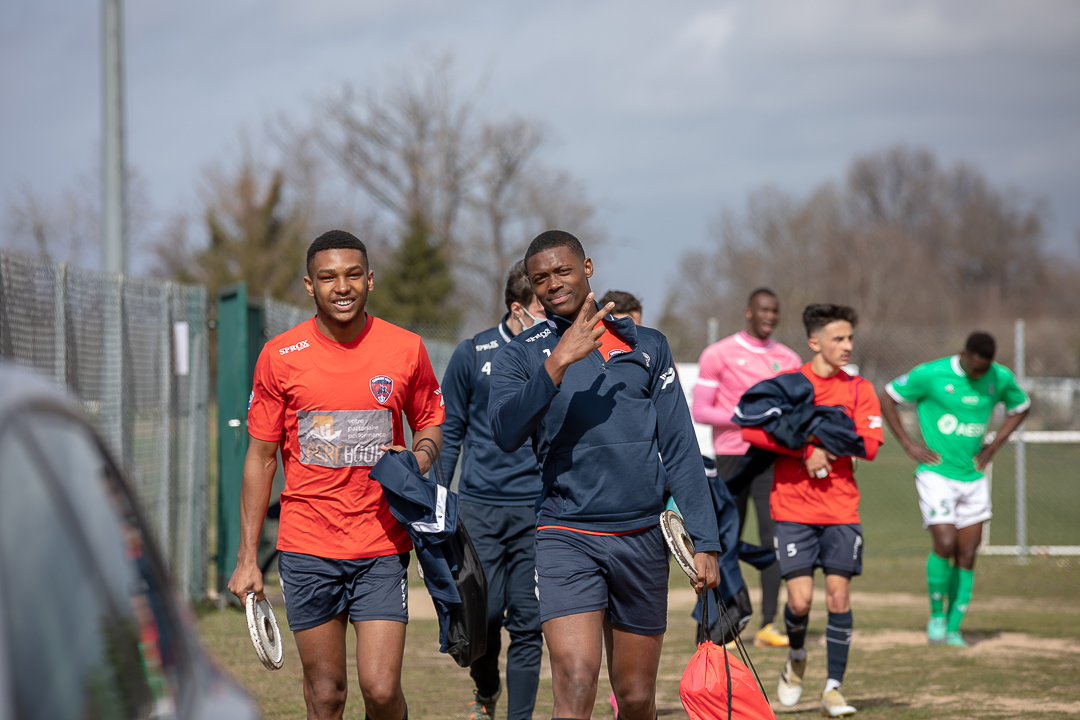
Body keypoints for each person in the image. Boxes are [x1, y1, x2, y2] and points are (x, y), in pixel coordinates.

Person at [488, 230, 721, 720]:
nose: (553, 283)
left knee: (636, 697)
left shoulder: (648, 345)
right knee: (575, 681)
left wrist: (706, 540)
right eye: (541, 278)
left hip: (641, 537)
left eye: (563, 270)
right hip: (565, 534)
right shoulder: (522, 355)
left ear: (587, 267)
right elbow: (505, 432)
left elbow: (679, 446)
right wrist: (558, 361)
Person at [228, 230, 445, 720]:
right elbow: (260, 457)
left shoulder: (406, 348)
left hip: (382, 545)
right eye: (328, 277)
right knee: (326, 695)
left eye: (352, 275)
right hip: (307, 549)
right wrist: (247, 558)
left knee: (382, 688)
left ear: (370, 280)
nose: (341, 287)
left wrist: (420, 457)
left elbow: (430, 417)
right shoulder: (279, 356)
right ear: (310, 285)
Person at [740, 303, 883, 718]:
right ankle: (797, 656)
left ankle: (834, 688)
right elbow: (750, 428)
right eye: (838, 338)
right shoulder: (787, 386)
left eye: (850, 338)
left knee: (838, 596)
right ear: (814, 341)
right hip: (792, 508)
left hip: (841, 509)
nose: (847, 346)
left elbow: (870, 446)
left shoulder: (860, 389)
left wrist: (823, 444)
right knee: (800, 603)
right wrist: (803, 448)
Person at [440, 262, 547, 720]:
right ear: (518, 308)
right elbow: (449, 431)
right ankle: (486, 691)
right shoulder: (473, 353)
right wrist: (438, 499)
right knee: (482, 617)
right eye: (543, 307)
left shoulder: (558, 352)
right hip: (481, 507)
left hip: (538, 509)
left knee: (528, 623)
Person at [881, 332, 1030, 647]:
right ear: (964, 355)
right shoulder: (931, 374)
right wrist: (909, 444)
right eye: (974, 369)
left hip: (973, 477)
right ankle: (936, 616)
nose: (979, 375)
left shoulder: (1000, 376)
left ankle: (953, 628)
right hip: (936, 473)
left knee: (968, 553)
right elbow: (888, 396)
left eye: (984, 370)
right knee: (945, 543)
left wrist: (993, 447)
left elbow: (1021, 407)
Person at [691, 287, 801, 648]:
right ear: (748, 312)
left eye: (775, 311)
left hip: (772, 459)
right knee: (719, 543)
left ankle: (770, 623)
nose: (770, 316)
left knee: (774, 538)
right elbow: (701, 410)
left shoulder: (789, 359)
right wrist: (746, 420)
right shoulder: (718, 353)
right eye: (763, 310)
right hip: (731, 458)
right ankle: (711, 621)